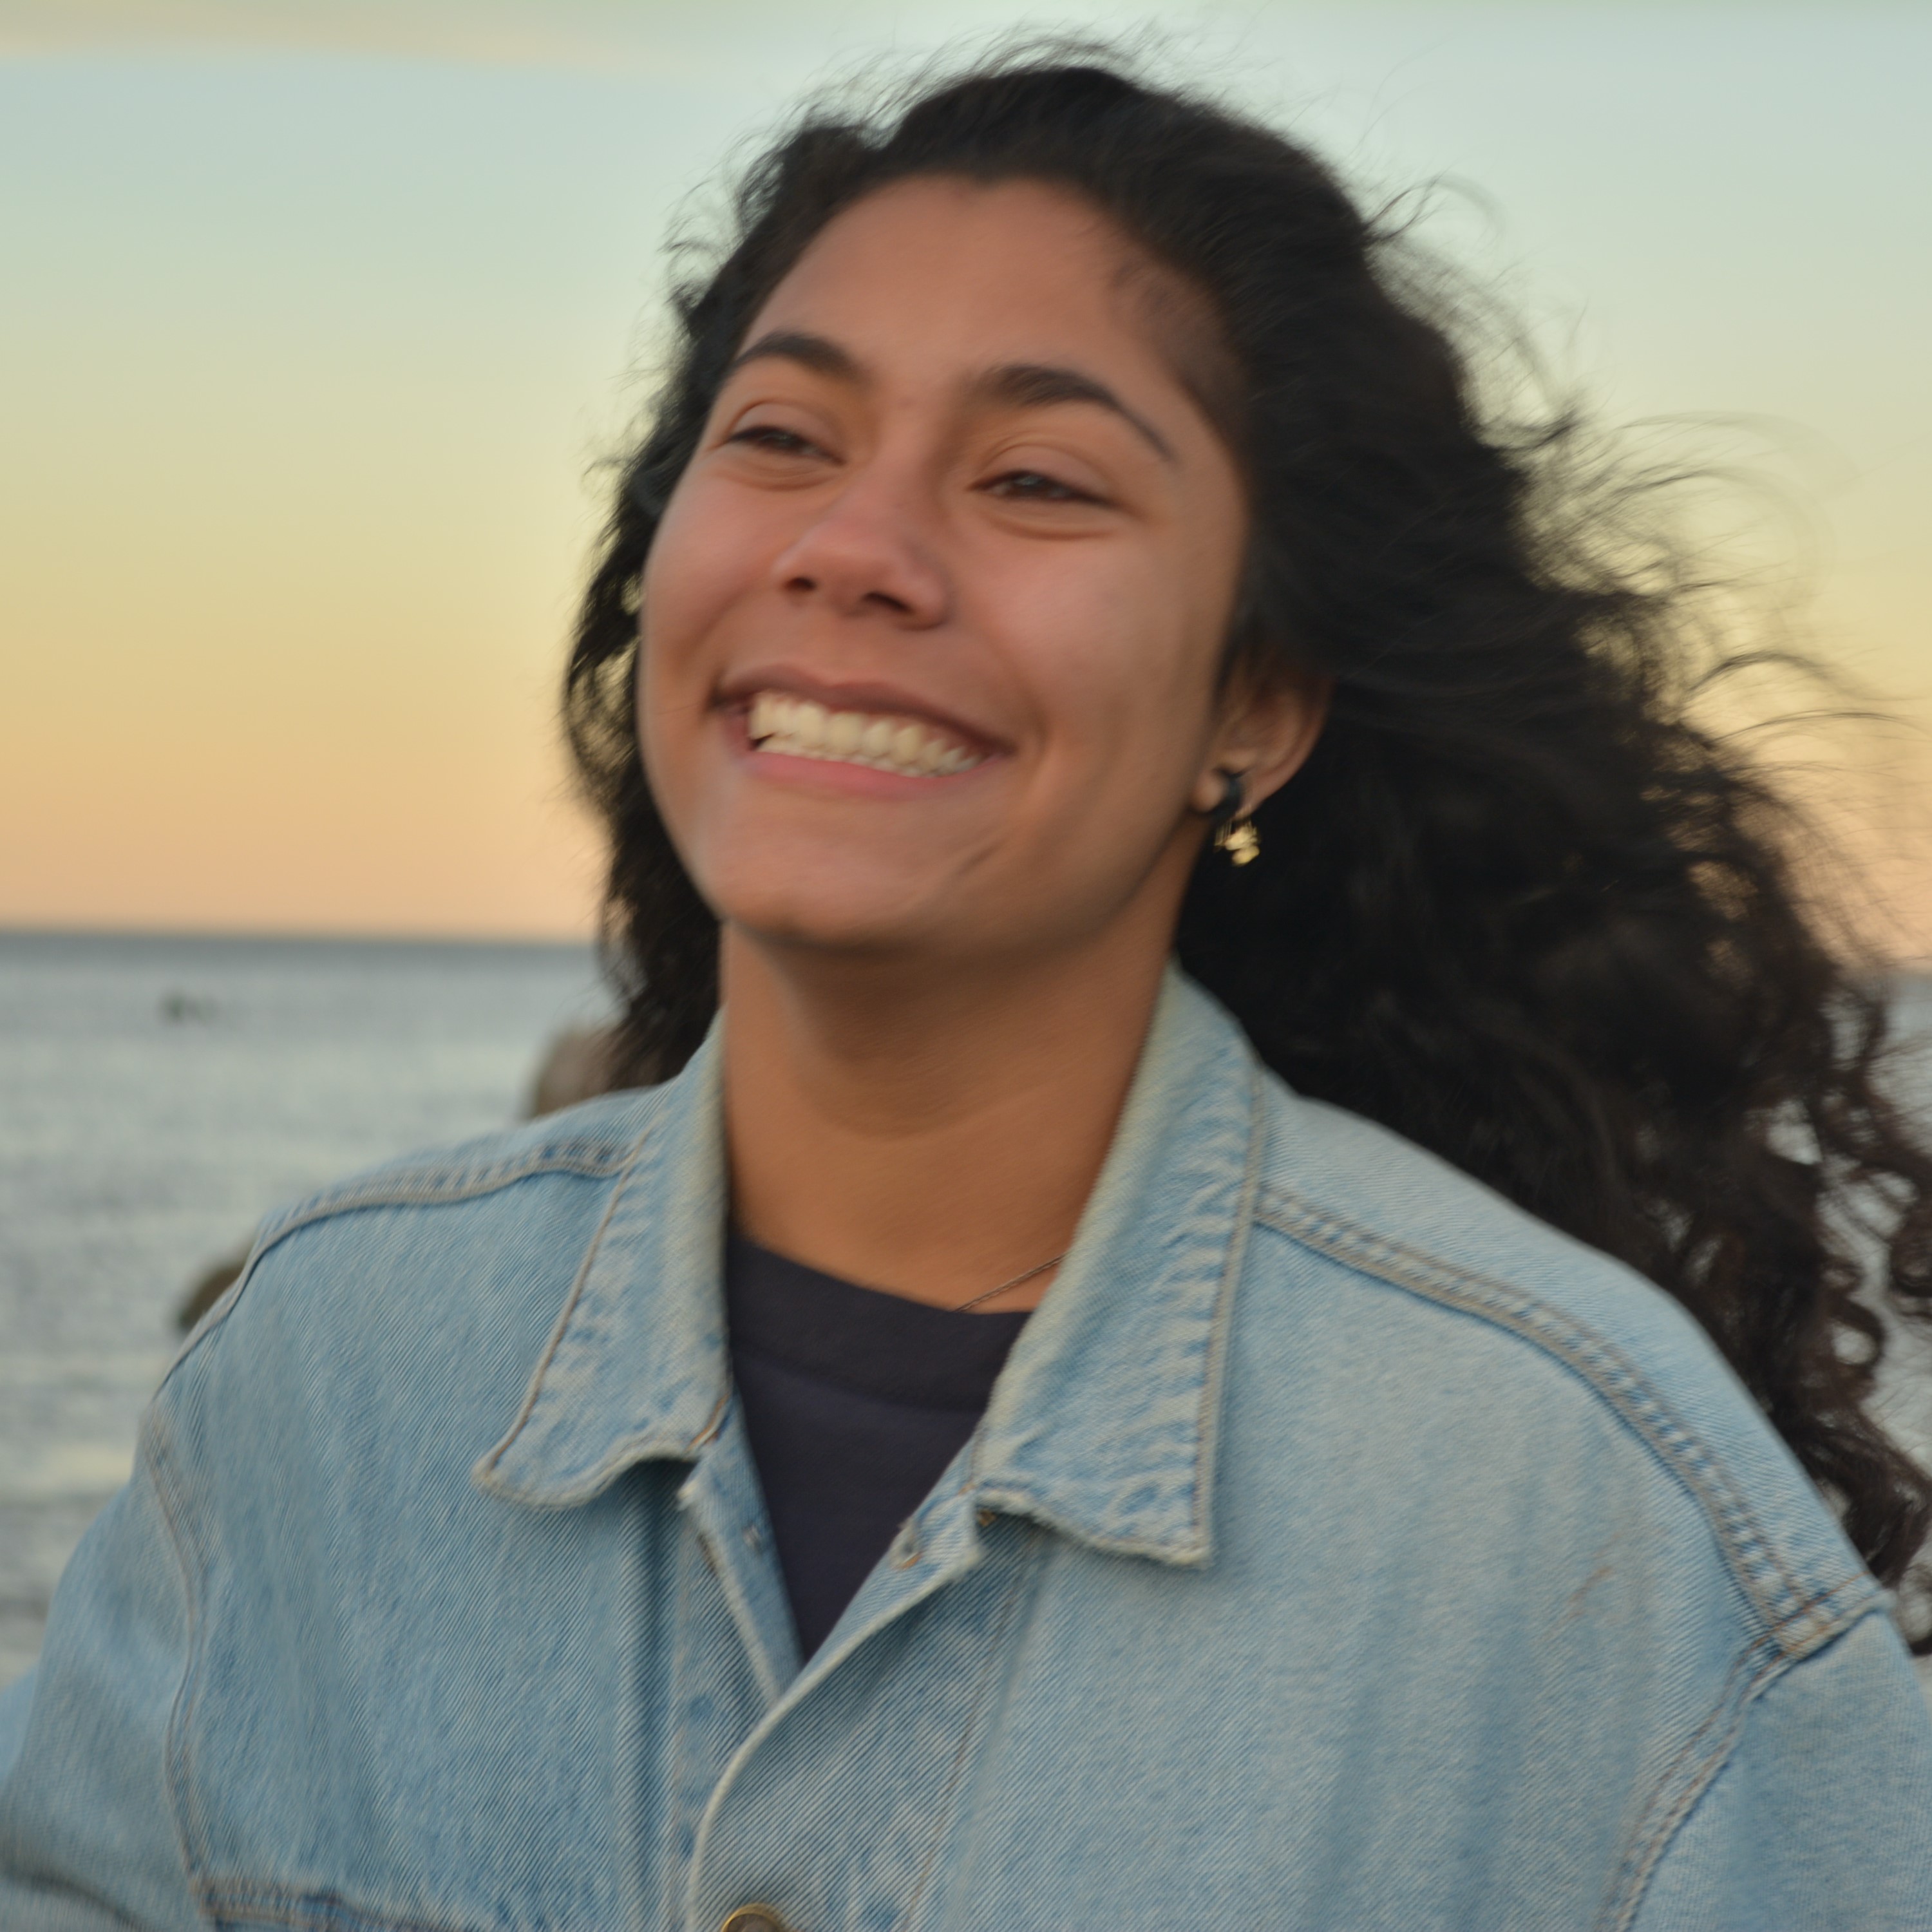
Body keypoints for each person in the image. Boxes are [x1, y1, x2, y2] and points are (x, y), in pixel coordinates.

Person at [6, 50, 1932, 1931]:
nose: (853, 550)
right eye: (783, 439)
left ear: (1255, 704)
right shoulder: (325, 1373)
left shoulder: (1585, 1512)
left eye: (1035, 478)